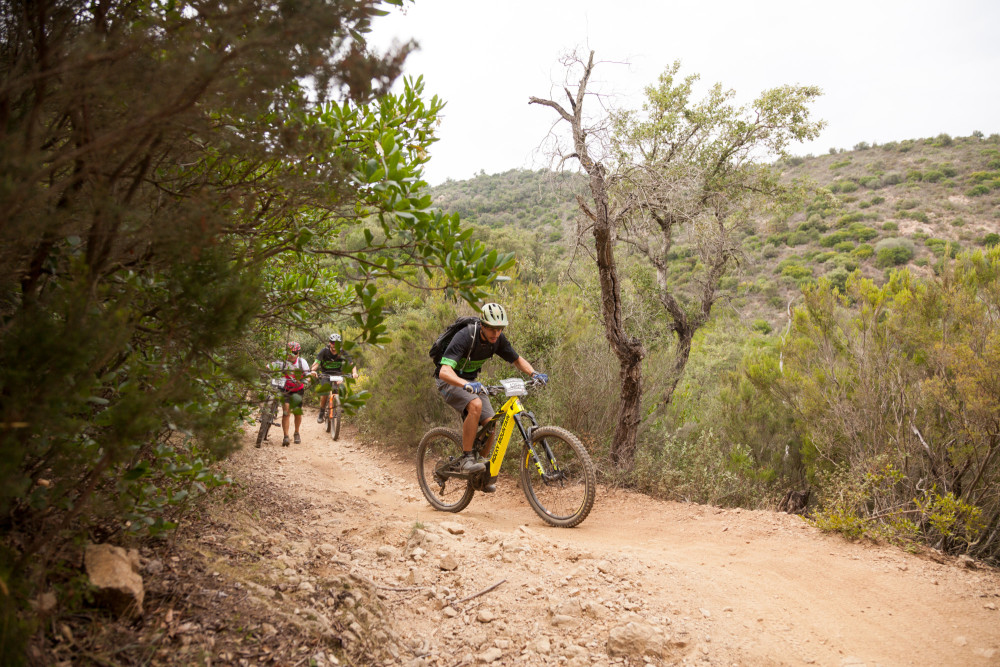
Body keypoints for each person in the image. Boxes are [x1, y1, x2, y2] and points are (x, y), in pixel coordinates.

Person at [435, 302, 548, 490]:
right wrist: (465, 384)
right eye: (492, 329)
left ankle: (479, 472)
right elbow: (444, 372)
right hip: (450, 381)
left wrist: (534, 374)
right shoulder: (465, 337)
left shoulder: (498, 340)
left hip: (471, 383)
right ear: (483, 325)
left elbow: (517, 359)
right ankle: (467, 458)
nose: (496, 334)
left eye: (500, 329)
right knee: (476, 405)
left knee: (491, 424)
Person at [270, 341, 316, 446]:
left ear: (298, 353)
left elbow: (308, 375)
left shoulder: (302, 362)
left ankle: (296, 432)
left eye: (294, 353)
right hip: (285, 389)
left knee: (297, 412)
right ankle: (286, 436)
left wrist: (306, 379)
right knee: (286, 411)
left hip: (298, 390)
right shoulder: (282, 362)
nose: (291, 355)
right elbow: (271, 366)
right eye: (289, 352)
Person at [312, 333, 358, 422]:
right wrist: (313, 370)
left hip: (338, 373)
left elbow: (352, 364)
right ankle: (321, 412)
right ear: (329, 343)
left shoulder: (343, 352)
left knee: (341, 388)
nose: (334, 345)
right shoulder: (324, 351)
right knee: (325, 393)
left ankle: (339, 404)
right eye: (332, 342)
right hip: (326, 373)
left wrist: (354, 373)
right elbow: (316, 363)